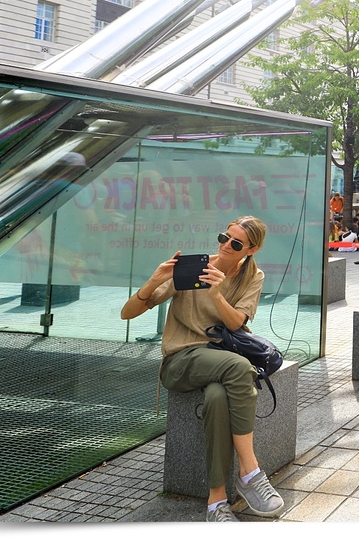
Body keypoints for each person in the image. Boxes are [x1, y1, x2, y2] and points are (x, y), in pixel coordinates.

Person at [119, 216, 284, 522]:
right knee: (239, 368)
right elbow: (127, 313)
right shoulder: (194, 267)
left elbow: (237, 323)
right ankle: (250, 471)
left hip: (216, 360)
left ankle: (216, 502)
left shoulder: (252, 276)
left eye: (235, 243)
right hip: (181, 360)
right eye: (224, 236)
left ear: (252, 249)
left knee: (219, 398)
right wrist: (155, 280)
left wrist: (217, 294)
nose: (225, 245)